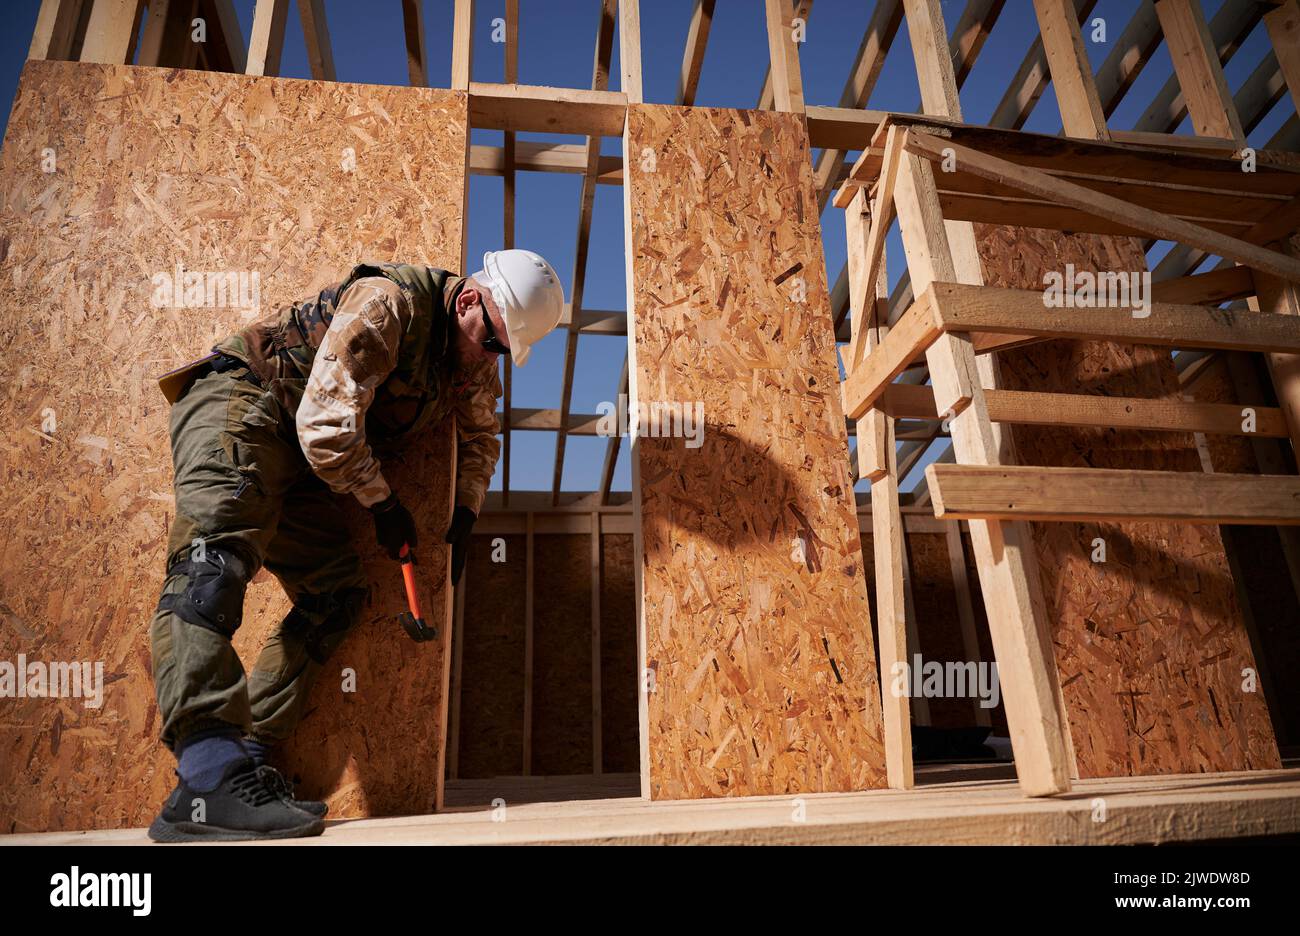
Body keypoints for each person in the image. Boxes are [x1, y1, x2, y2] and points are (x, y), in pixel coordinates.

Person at [146, 251, 564, 841]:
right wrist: (385, 505)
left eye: (501, 350)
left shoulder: (474, 359)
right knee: (211, 564)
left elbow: (480, 433)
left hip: (300, 458)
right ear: (469, 301)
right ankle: (206, 776)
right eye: (491, 341)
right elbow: (325, 426)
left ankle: (245, 758)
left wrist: (468, 509)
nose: (490, 357)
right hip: (244, 403)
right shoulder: (389, 305)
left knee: (336, 594)